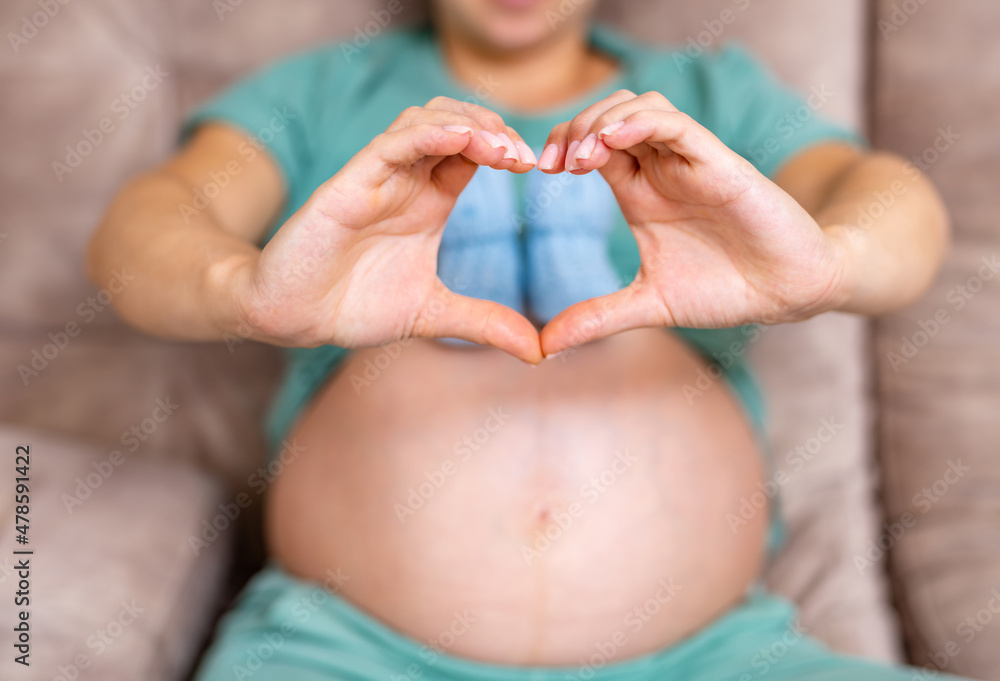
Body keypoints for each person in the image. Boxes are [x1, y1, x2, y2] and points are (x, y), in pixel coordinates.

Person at [88, 0, 961, 679]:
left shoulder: (706, 98)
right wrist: (238, 288)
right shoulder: (322, 93)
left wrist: (833, 264)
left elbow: (890, 199)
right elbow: (142, 232)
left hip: (713, 654)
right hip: (340, 647)